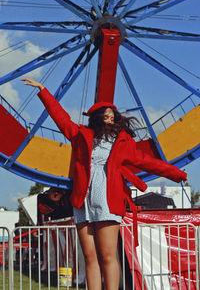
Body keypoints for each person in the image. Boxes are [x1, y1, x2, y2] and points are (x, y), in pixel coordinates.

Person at [21, 78, 187, 290]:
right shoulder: (80, 134)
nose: (110, 120)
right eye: (106, 117)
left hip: (108, 199)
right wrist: (43, 90)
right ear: (96, 119)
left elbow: (146, 162)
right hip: (82, 199)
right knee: (90, 257)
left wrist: (177, 174)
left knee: (108, 256)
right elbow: (60, 118)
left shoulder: (123, 141)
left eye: (113, 117)